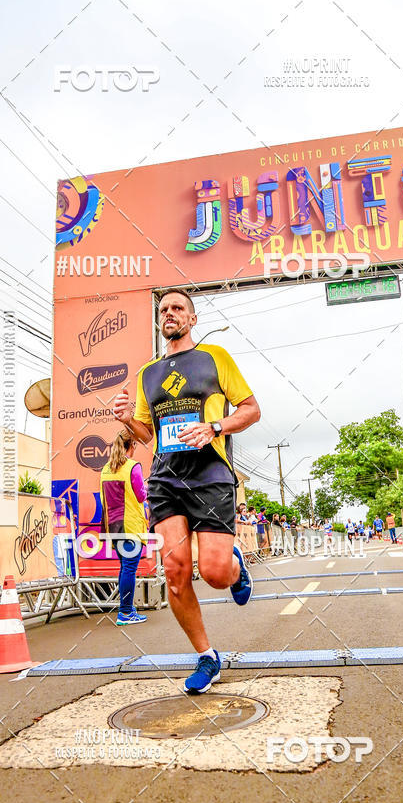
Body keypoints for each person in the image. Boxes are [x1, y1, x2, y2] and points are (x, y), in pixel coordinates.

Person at [113, 288, 261, 694]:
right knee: (176, 574)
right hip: (165, 479)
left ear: (192, 319)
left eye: (178, 308)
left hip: (209, 474)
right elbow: (147, 434)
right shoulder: (147, 373)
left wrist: (215, 427)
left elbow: (251, 409)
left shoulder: (215, 357)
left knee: (214, 574)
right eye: (164, 309)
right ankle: (207, 657)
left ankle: (234, 566)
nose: (170, 313)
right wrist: (127, 420)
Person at [100, 429, 148, 625]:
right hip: (130, 526)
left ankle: (126, 608)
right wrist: (146, 487)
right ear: (132, 445)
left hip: (113, 525)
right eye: (135, 444)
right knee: (129, 569)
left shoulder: (106, 468)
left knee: (124, 568)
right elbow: (141, 496)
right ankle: (126, 612)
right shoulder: (133, 467)